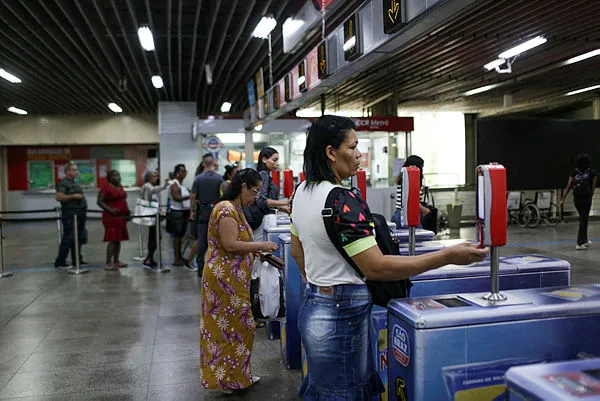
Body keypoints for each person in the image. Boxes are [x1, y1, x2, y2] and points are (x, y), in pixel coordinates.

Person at [290, 115, 488, 400]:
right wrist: (448, 255)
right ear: (331, 153)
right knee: (345, 392)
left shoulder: (301, 194)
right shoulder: (341, 200)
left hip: (314, 305)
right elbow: (377, 267)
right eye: (352, 147)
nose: (359, 155)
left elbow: (298, 253)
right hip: (341, 313)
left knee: (326, 387)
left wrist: (322, 286)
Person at [199, 168, 278, 394]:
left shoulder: (236, 209)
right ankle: (227, 380)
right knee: (229, 329)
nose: (255, 198)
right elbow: (230, 244)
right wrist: (260, 246)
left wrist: (257, 252)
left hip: (234, 279)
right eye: (254, 192)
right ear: (242, 187)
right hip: (224, 281)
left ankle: (239, 375)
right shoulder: (225, 209)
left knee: (241, 328)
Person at [190, 154, 224, 276]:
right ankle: (217, 267)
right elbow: (223, 195)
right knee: (217, 241)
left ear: (204, 164)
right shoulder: (220, 178)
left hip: (203, 214)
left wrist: (192, 212)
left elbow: (193, 196)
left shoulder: (198, 179)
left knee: (201, 242)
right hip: (216, 213)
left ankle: (200, 269)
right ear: (213, 164)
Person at [247, 147, 290, 242]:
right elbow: (261, 201)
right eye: (274, 160)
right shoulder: (263, 175)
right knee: (264, 249)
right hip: (266, 219)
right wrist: (285, 203)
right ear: (264, 159)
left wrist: (281, 208)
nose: (277, 163)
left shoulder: (264, 175)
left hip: (265, 218)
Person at [54, 161, 88, 270]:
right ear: (67, 171)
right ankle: (60, 261)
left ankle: (76, 259)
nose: (76, 172)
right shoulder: (64, 183)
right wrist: (73, 196)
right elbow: (59, 197)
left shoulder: (75, 183)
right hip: (70, 215)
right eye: (73, 170)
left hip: (80, 214)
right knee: (68, 238)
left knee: (78, 238)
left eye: (76, 170)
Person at [559, 153, 597, 250]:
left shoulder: (574, 173)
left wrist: (562, 199)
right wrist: (590, 197)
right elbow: (593, 188)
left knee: (582, 219)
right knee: (584, 220)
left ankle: (584, 240)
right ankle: (579, 243)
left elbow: (568, 186)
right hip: (586, 198)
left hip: (576, 199)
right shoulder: (592, 173)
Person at [97, 170, 130, 271]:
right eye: (115, 175)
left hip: (121, 216)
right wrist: (111, 210)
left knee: (118, 239)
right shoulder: (106, 188)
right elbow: (100, 201)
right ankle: (108, 263)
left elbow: (123, 200)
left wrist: (127, 211)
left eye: (119, 175)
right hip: (111, 217)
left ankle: (116, 261)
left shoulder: (120, 186)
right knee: (113, 239)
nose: (118, 177)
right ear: (110, 178)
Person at [391, 155, 431, 228]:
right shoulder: (411, 181)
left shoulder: (403, 179)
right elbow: (411, 200)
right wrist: (425, 210)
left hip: (399, 214)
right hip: (407, 215)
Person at [141, 170, 170, 268]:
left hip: (155, 215)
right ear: (149, 177)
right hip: (151, 216)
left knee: (156, 238)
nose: (156, 178)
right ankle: (149, 259)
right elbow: (153, 192)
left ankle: (150, 258)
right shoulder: (147, 186)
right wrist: (165, 185)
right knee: (154, 238)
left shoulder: (150, 187)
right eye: (154, 176)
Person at [169, 164, 191, 266]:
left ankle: (179, 256)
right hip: (177, 213)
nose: (185, 173)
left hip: (182, 212)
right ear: (178, 173)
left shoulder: (179, 183)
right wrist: (189, 197)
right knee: (177, 236)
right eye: (183, 171)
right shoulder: (174, 183)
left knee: (180, 236)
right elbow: (176, 197)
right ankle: (176, 259)